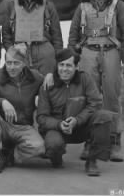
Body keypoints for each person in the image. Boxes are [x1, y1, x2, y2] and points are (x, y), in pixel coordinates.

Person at [68, 0, 124, 162]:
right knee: (89, 98)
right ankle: (90, 141)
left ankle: (114, 141)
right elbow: (73, 36)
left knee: (112, 98)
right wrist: (74, 58)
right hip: (88, 53)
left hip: (111, 53)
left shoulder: (118, 6)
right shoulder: (82, 7)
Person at [37, 48, 112, 176]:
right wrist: (59, 124)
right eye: (61, 65)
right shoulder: (48, 85)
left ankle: (92, 160)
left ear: (76, 67)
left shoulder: (85, 79)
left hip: (80, 127)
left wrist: (77, 120)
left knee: (103, 117)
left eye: (68, 65)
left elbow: (95, 103)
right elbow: (41, 117)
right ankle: (56, 156)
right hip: (57, 128)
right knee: (54, 145)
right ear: (57, 65)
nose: (64, 69)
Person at [0, 44, 45, 173]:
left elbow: (49, 86)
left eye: (16, 63)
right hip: (3, 125)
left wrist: (50, 77)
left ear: (24, 63)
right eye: (8, 63)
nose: (12, 67)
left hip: (23, 126)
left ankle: (10, 154)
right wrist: (1, 102)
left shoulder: (35, 77)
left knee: (39, 147)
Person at [2, 0, 63, 75]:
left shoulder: (48, 6)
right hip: (20, 51)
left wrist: (59, 57)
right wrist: (12, 51)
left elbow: (57, 35)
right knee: (23, 87)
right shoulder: (11, 6)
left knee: (47, 85)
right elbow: (6, 34)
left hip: (44, 51)